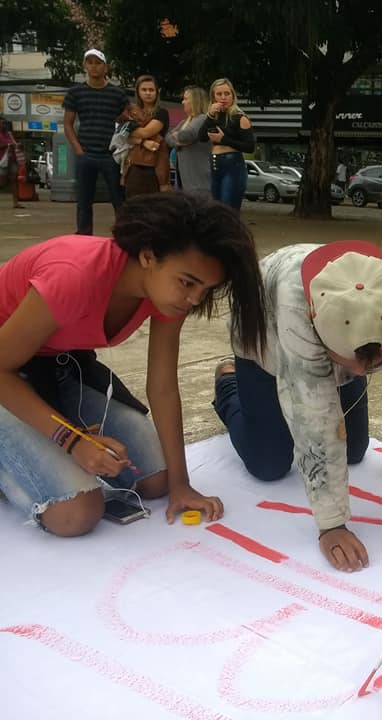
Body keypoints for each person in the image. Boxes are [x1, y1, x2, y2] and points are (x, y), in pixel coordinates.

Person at [0, 193, 267, 537]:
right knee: (77, 514)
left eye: (207, 289)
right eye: (187, 282)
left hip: (55, 370)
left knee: (156, 480)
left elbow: (163, 386)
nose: (195, 299)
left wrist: (181, 484)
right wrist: (71, 440)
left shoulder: (169, 294)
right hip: (8, 373)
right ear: (147, 256)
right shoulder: (74, 276)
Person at [212, 241, 382, 573]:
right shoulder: (296, 316)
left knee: (354, 450)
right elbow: (315, 424)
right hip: (264, 336)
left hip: (343, 344)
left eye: (373, 361)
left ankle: (345, 362)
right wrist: (331, 525)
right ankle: (229, 384)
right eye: (352, 362)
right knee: (269, 464)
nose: (363, 372)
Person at [63, 49, 136, 235]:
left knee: (118, 199)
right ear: (84, 65)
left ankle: (123, 236)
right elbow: (68, 124)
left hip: (110, 155)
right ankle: (84, 239)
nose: (94, 66)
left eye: (98, 62)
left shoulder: (117, 94)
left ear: (106, 66)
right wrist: (79, 151)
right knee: (84, 201)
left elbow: (126, 119)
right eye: (90, 62)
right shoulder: (76, 92)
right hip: (86, 153)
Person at [201, 78, 254, 209]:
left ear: (233, 95)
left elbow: (249, 146)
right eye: (219, 94)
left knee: (228, 209)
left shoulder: (239, 117)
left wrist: (224, 139)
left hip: (232, 165)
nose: (223, 98)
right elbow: (201, 137)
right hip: (215, 164)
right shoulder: (214, 116)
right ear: (213, 97)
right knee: (215, 209)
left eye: (227, 94)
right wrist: (210, 115)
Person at [122, 75, 171, 198]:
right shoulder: (132, 111)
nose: (148, 93)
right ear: (138, 92)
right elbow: (124, 137)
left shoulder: (161, 112)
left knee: (154, 208)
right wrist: (143, 142)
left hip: (155, 166)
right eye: (144, 90)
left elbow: (145, 132)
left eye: (151, 90)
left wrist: (127, 128)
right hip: (133, 165)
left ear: (157, 92)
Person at [165, 86, 212, 196]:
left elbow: (186, 135)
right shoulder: (184, 122)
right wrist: (178, 141)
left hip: (199, 182)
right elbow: (168, 138)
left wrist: (177, 137)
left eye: (186, 99)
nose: (182, 102)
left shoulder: (202, 119)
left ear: (195, 101)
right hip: (184, 182)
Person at [0, 118, 24, 209]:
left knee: (14, 181)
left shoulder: (9, 134)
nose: (4, 125)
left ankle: (15, 202)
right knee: (2, 182)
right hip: (2, 160)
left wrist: (17, 145)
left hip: (12, 159)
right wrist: (7, 145)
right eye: (2, 123)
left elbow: (14, 144)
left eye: (4, 123)